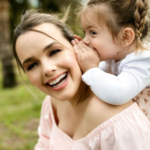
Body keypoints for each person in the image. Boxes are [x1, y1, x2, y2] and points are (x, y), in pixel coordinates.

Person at [13, 10, 150, 150]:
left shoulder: (115, 120)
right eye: (32, 65)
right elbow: (43, 144)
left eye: (54, 51)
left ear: (78, 44)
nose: (47, 69)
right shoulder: (51, 103)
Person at [72, 0, 150, 108]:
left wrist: (90, 68)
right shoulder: (115, 57)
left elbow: (119, 94)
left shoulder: (143, 61)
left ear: (125, 37)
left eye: (93, 32)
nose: (85, 40)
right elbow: (99, 74)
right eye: (85, 33)